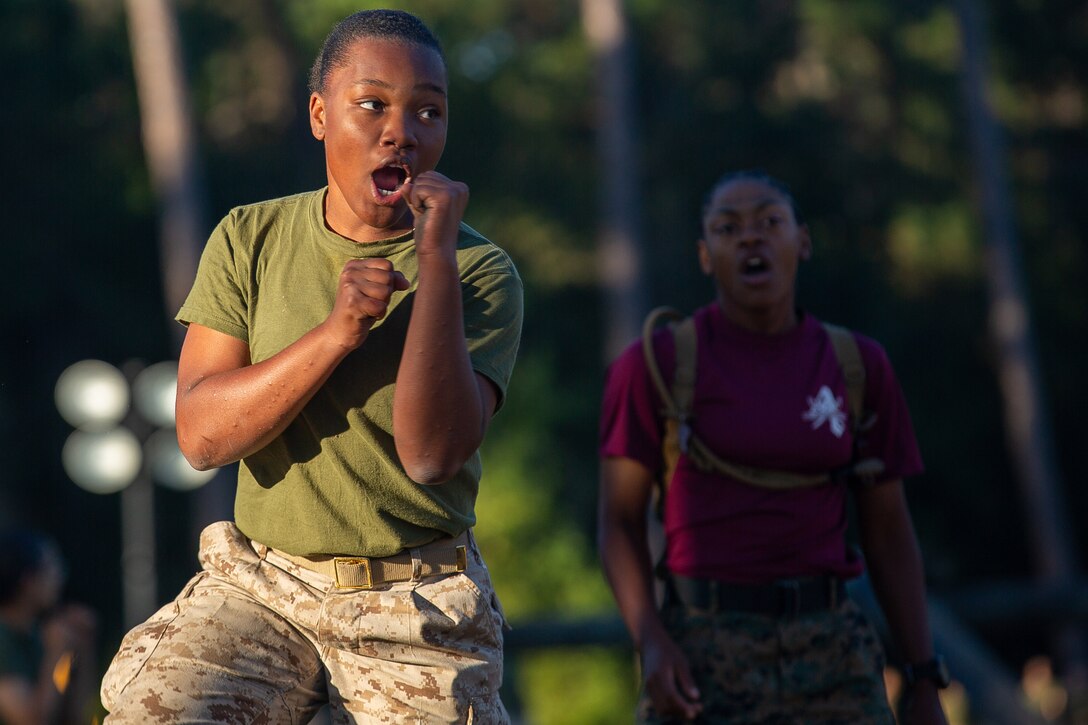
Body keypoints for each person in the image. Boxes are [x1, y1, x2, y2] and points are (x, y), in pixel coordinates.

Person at [99, 9, 522, 723]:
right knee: (150, 709)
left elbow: (431, 454)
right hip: (264, 583)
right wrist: (335, 333)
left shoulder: (480, 270)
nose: (402, 130)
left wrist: (436, 264)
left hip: (413, 599)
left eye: (429, 110)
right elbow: (201, 437)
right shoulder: (249, 237)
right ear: (320, 114)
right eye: (373, 104)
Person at [597, 170, 948, 724]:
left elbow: (888, 530)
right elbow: (618, 521)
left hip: (834, 648)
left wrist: (924, 676)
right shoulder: (655, 366)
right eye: (728, 228)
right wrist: (651, 639)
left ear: (802, 242)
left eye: (769, 222)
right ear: (705, 255)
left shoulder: (858, 367)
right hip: (703, 650)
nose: (751, 238)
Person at [0, 529, 98, 725]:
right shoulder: (4, 640)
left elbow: (82, 716)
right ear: (27, 580)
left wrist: (84, 645)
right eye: (51, 567)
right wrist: (56, 652)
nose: (60, 576)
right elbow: (31, 721)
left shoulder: (39, 634)